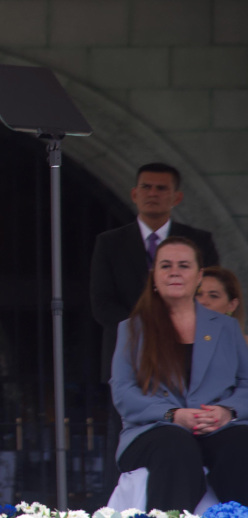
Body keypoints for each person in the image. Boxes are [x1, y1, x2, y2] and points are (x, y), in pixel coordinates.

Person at [91, 163, 219, 495]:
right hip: (134, 354)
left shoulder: (199, 240)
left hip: (192, 351)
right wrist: (149, 332)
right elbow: (102, 303)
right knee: (129, 423)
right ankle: (122, 503)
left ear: (176, 197)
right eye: (146, 187)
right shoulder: (110, 242)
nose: (153, 193)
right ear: (134, 194)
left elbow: (211, 295)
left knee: (195, 421)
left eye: (161, 188)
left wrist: (182, 329)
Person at [110, 237, 248, 512]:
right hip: (154, 430)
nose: (174, 271)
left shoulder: (226, 327)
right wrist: (172, 415)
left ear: (198, 277)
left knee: (240, 445)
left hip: (216, 427)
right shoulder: (133, 329)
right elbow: (123, 391)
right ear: (154, 277)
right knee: (176, 443)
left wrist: (227, 412)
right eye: (166, 265)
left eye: (183, 266)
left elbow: (245, 384)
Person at [197, 266, 247, 338]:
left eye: (213, 296)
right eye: (198, 294)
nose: (202, 301)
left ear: (232, 305)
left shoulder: (241, 345)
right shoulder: (178, 340)